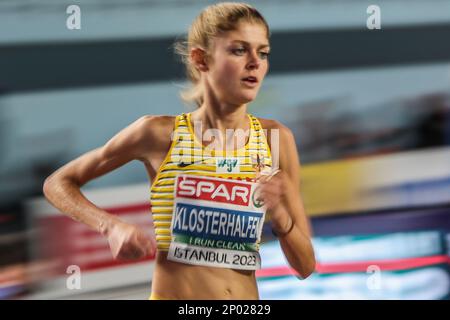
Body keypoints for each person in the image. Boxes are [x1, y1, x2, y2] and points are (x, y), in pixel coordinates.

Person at [43, 2, 315, 300]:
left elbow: (305, 266)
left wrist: (279, 213)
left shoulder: (275, 139)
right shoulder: (157, 135)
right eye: (239, 50)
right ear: (201, 59)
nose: (255, 62)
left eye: (262, 53)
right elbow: (58, 183)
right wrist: (111, 227)